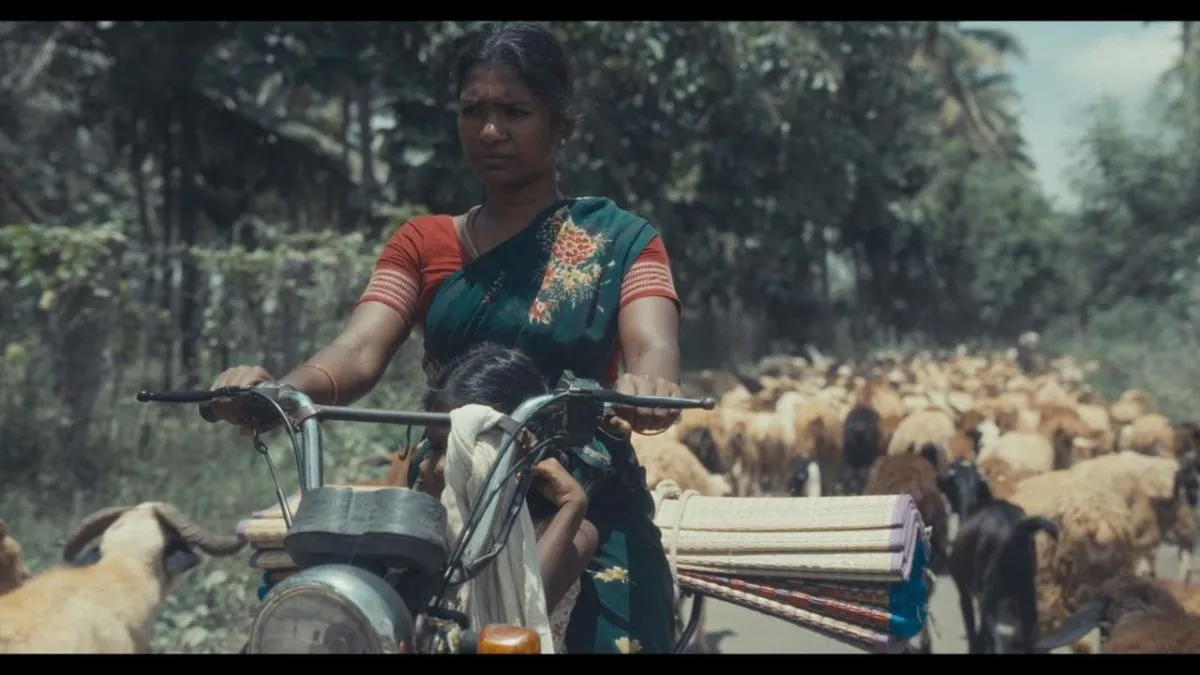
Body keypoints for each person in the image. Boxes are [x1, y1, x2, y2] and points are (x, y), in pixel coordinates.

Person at [210, 21, 683, 654]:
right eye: (474, 110)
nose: (491, 131)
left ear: (561, 123)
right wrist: (276, 393)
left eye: (515, 111)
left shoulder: (623, 240)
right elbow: (357, 351)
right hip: (446, 488)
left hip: (585, 496)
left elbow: (652, 344)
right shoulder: (422, 243)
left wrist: (647, 384)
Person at [411, 342, 598, 653]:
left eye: (461, 450)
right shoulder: (425, 518)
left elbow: (520, 608)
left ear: (524, 444)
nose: (443, 465)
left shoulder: (576, 532)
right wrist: (432, 506)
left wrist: (572, 507)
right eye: (437, 448)